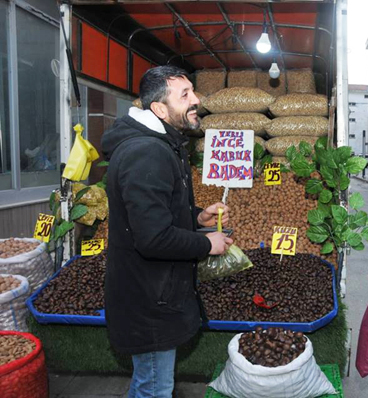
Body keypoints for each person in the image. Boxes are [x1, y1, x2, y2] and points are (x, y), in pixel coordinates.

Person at [101, 65, 233, 398]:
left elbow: (154, 214)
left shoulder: (160, 146)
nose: (196, 100)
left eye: (193, 91)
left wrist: (197, 217)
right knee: (155, 388)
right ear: (160, 109)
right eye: (184, 95)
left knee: (147, 382)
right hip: (150, 300)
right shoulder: (147, 152)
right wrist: (207, 244)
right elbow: (153, 237)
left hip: (152, 292)